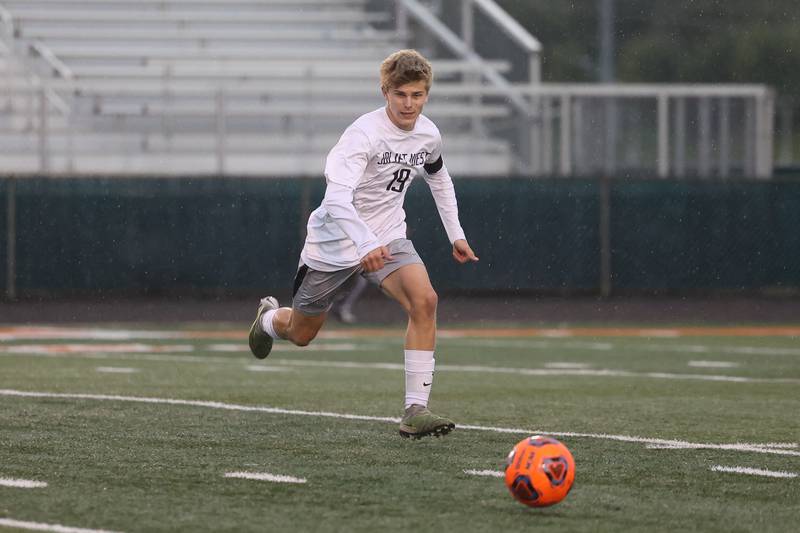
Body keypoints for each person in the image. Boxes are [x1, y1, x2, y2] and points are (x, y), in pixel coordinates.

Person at [248, 49, 479, 439]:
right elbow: (336, 199)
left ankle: (414, 411)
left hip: (388, 235)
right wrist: (364, 243)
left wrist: (455, 233)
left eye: (418, 95)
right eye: (401, 94)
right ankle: (269, 320)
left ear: (426, 94)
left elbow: (438, 177)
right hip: (335, 242)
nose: (410, 104)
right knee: (302, 335)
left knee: (425, 301)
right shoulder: (362, 135)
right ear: (385, 91)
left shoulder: (428, 134)